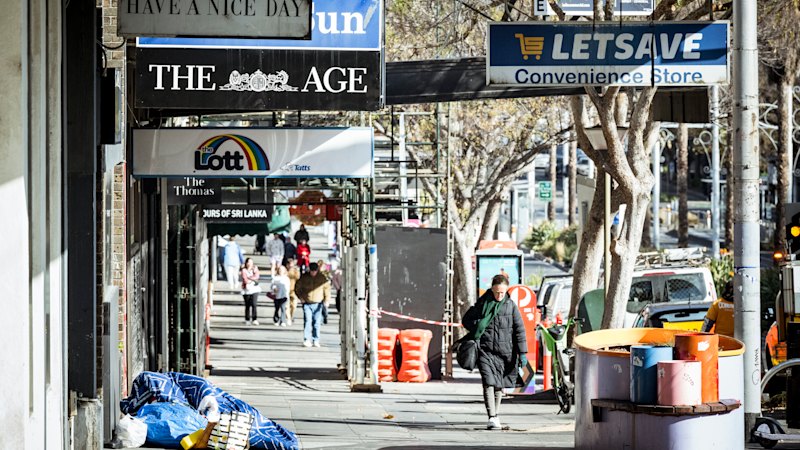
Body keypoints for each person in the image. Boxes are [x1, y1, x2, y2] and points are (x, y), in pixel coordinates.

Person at [461, 274, 527, 430]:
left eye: (502, 293)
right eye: (497, 292)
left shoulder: (510, 306)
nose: (499, 296)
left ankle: (495, 414)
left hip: (505, 353)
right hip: (486, 351)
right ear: (492, 289)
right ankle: (492, 416)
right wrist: (479, 325)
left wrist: (522, 353)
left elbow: (519, 330)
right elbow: (466, 320)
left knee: (499, 385)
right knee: (488, 383)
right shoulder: (483, 304)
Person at [295, 262, 331, 347]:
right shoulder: (304, 277)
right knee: (308, 320)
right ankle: (307, 339)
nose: (313, 273)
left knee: (316, 322)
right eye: (312, 271)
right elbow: (297, 288)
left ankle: (316, 339)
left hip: (318, 303)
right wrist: (301, 297)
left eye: (315, 271)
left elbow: (327, 289)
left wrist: (327, 300)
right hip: (307, 303)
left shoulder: (322, 278)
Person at [240, 258, 261, 326]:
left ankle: (254, 319)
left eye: (251, 262)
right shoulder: (244, 270)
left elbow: (257, 276)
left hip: (255, 289)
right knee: (247, 305)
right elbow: (245, 279)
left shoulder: (255, 269)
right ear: (246, 263)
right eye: (248, 262)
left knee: (254, 304)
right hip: (247, 289)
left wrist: (250, 278)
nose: (250, 264)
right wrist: (251, 279)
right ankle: (247, 319)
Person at [286, 258, 301, 326]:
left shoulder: (295, 271)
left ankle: (291, 316)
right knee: (287, 306)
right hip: (285, 291)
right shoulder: (284, 271)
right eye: (289, 265)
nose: (290, 266)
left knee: (294, 305)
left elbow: (298, 278)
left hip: (294, 290)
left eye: (291, 265)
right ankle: (288, 318)